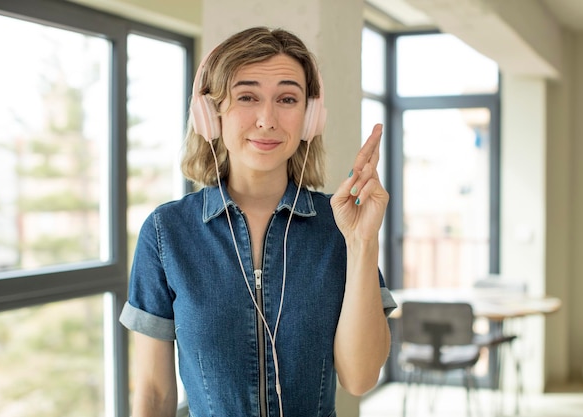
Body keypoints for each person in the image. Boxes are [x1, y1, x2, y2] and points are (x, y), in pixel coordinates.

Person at [119, 26, 397, 417]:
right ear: (210, 114)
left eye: (287, 99)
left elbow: (361, 378)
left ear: (309, 118)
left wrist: (363, 241)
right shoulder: (167, 233)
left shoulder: (337, 229)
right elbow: (152, 393)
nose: (267, 120)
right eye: (247, 96)